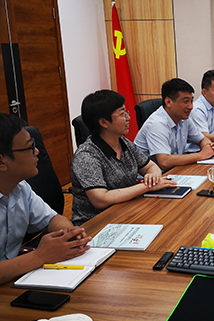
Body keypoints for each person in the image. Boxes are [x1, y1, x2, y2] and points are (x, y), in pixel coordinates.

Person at [0, 113, 92, 296]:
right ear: (0, 161)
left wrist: (69, 235)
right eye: (30, 147)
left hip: (12, 283)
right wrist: (40, 256)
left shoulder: (19, 187)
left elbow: (52, 219)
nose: (37, 151)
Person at [70, 90, 175, 226]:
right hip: (96, 223)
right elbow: (101, 199)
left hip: (127, 210)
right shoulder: (86, 156)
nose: (128, 118)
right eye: (122, 114)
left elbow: (150, 166)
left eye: (127, 113)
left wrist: (152, 177)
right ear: (104, 122)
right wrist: (147, 186)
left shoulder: (123, 142)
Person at [134, 78, 214, 171]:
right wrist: (201, 155)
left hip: (174, 170)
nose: (191, 107)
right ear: (168, 102)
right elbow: (164, 162)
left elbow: (202, 139)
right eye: (186, 101)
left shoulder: (184, 119)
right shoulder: (157, 124)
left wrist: (209, 147)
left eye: (191, 101)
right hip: (151, 176)